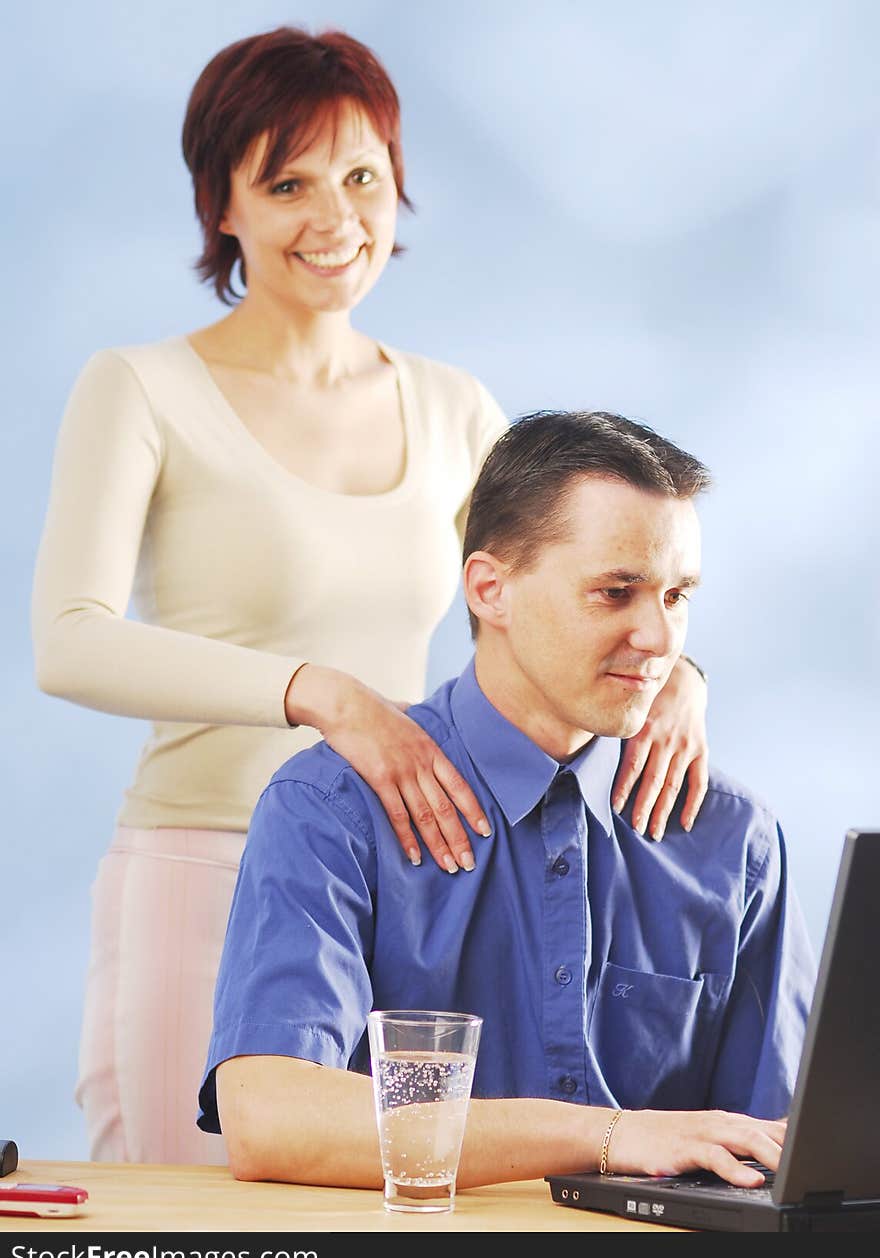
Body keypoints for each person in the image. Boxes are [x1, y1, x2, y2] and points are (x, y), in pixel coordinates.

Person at [31, 28, 710, 1166]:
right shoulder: (141, 389)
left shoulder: (451, 407)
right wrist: (321, 695)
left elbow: (552, 582)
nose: (335, 216)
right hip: (203, 861)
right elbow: (68, 641)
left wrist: (680, 676)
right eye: (286, 182)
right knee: (194, 1225)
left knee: (383, 1205)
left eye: (360, 177)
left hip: (396, 877)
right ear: (223, 206)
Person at [197, 411, 816, 1191]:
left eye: (676, 595)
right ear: (491, 590)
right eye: (616, 592)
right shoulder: (329, 810)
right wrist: (610, 1137)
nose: (661, 639)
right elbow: (271, 1122)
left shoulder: (732, 837)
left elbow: (781, 1148)